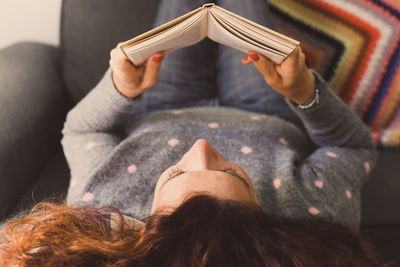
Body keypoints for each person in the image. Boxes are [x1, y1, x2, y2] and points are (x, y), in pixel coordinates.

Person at [0, 0, 383, 266]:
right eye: (232, 173)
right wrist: (304, 92)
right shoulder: (311, 219)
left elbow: (83, 130)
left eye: (176, 173)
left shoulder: (103, 211)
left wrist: (120, 89)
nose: (202, 148)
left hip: (163, 101)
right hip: (264, 103)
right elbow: (352, 147)